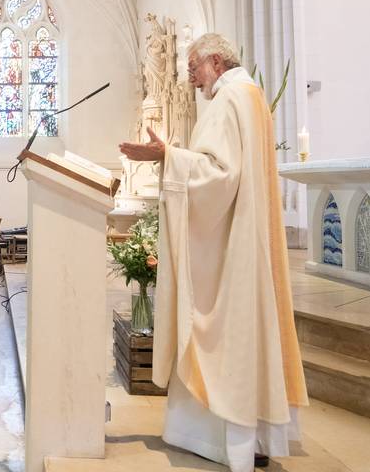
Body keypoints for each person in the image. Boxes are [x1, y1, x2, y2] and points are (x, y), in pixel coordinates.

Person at [119, 33, 308, 472]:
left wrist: (167, 156)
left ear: (217, 62)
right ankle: (255, 437)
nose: (190, 76)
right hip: (245, 237)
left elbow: (220, 176)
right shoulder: (254, 98)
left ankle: (227, 441)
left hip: (233, 248)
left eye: (194, 66)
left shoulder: (227, 101)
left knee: (222, 330)